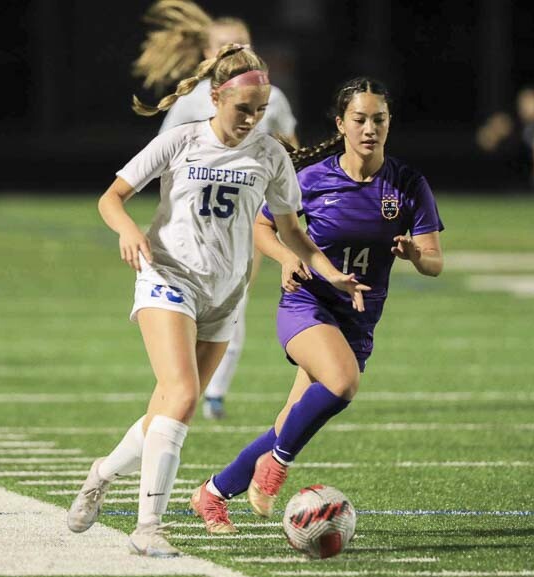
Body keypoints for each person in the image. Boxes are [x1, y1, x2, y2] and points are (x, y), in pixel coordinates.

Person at [66, 45, 369, 557]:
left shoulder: (269, 154)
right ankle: (148, 528)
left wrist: (330, 273)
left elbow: (293, 231)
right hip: (168, 279)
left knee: (167, 410)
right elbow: (110, 198)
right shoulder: (180, 141)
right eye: (242, 109)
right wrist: (127, 232)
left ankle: (101, 473)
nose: (252, 119)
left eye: (261, 109)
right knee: (182, 394)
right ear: (215, 98)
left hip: (224, 298)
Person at [188, 77, 445, 534]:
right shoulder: (312, 177)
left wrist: (413, 255)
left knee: (289, 421)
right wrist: (287, 257)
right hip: (306, 304)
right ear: (341, 123)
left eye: (379, 120)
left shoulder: (407, 184)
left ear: (390, 124)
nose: (370, 129)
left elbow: (435, 262)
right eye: (360, 119)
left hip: (358, 320)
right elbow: (263, 228)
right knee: (342, 382)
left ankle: (212, 493)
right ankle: (277, 465)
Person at [133, 0, 299, 419]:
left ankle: (214, 392)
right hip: (193, 226)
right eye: (224, 45)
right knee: (195, 307)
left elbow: (292, 151)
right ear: (208, 53)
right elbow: (164, 160)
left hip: (250, 215)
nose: (233, 50)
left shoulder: (271, 97)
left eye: (241, 43)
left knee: (233, 297)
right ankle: (181, 382)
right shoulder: (192, 102)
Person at [476, 86, 534, 190]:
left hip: (524, 186)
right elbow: (483, 142)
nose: (531, 108)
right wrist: (494, 132)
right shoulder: (508, 123)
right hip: (497, 182)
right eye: (527, 104)